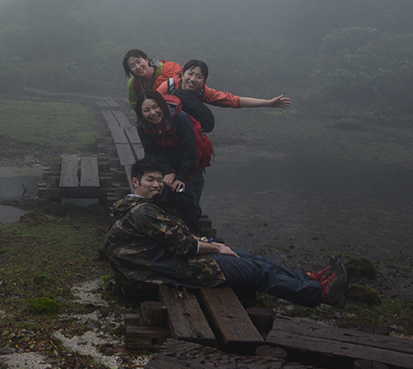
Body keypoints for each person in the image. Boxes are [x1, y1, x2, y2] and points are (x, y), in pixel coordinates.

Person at [102, 159, 347, 308]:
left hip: (165, 262)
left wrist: (204, 241)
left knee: (252, 259)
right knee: (256, 273)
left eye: (158, 180)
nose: (156, 185)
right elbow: (183, 246)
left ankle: (310, 278)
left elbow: (172, 236)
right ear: (136, 181)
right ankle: (322, 294)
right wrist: (217, 247)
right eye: (149, 180)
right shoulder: (143, 211)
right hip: (171, 269)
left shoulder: (137, 206)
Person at [135, 89, 213, 234]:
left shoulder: (180, 119)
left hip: (192, 159)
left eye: (155, 107)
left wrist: (182, 177)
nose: (152, 113)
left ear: (162, 106)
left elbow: (192, 150)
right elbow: (152, 153)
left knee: (184, 193)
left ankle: (190, 232)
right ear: (141, 113)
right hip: (167, 159)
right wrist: (168, 171)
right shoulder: (143, 127)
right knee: (164, 191)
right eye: (146, 110)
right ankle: (168, 229)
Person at [158, 59, 292, 132]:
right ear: (182, 74)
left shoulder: (203, 92)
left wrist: (268, 103)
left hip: (187, 132)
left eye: (198, 77)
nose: (193, 79)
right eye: (190, 74)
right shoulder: (169, 86)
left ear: (204, 82)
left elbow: (233, 100)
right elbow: (149, 103)